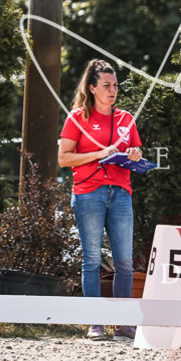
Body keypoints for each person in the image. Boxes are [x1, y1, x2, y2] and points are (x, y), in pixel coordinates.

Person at [58, 59, 143, 341]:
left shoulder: (126, 119)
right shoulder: (77, 118)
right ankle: (95, 323)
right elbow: (63, 158)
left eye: (115, 85)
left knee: (125, 263)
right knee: (92, 260)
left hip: (121, 194)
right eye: (106, 85)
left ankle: (123, 324)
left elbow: (135, 150)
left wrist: (136, 154)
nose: (113, 90)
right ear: (92, 88)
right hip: (88, 194)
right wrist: (99, 154)